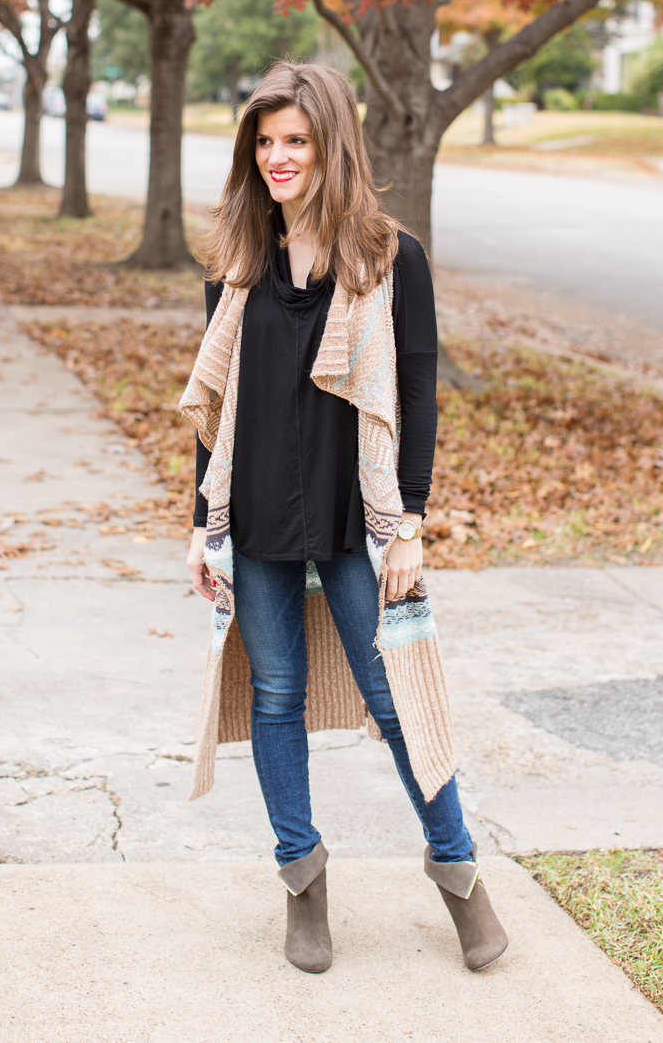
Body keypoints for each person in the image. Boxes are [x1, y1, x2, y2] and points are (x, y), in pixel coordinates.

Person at [180, 60, 507, 975]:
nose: (279, 157)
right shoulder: (239, 265)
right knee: (277, 697)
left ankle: (459, 873)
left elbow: (418, 390)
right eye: (267, 141)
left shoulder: (389, 257)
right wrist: (201, 527)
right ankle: (302, 880)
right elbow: (217, 408)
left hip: (359, 515)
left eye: (298, 141)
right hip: (256, 520)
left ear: (332, 147)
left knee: (397, 698)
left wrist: (409, 521)